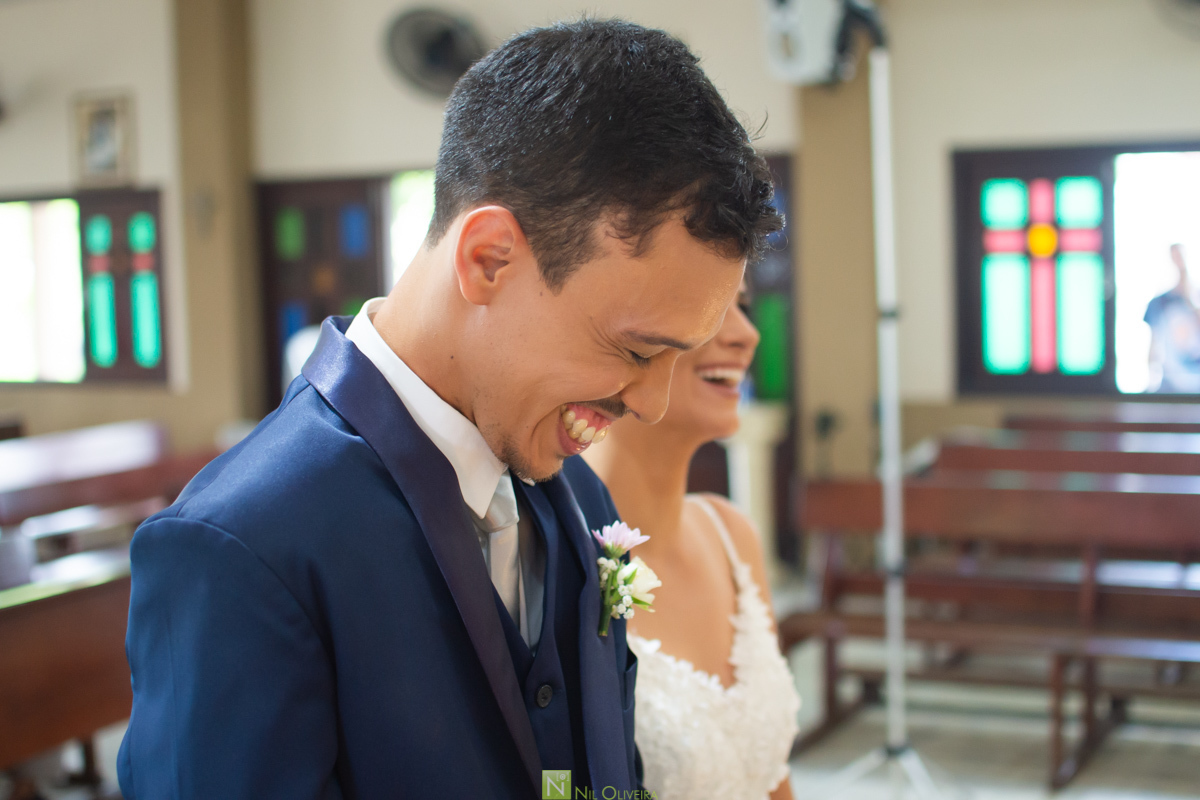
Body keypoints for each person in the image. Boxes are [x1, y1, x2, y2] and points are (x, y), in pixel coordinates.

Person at [117, 19, 781, 800]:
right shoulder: (244, 547)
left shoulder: (582, 499)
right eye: (637, 350)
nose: (651, 400)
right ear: (489, 258)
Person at [579, 286, 800, 800]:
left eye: (742, 307)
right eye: (714, 301)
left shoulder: (732, 536)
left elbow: (773, 775)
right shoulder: (560, 559)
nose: (748, 334)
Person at [1146, 243, 1200, 394]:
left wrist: (1190, 299)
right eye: (1175, 257)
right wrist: (1151, 378)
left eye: (1182, 257)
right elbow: (1153, 344)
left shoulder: (1194, 300)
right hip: (1169, 387)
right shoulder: (1159, 303)